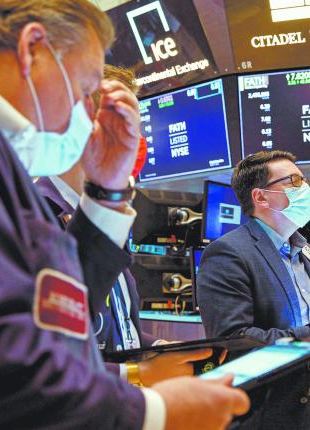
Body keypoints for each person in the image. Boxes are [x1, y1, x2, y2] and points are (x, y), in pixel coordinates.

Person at [0, 1, 248, 429]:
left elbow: (56, 321)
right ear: (32, 48)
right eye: (85, 89)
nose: (87, 115)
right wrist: (154, 413)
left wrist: (106, 193)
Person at [35, 64, 212, 387]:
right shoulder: (35, 213)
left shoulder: (109, 219)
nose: (138, 140)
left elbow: (118, 329)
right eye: (125, 124)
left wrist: (158, 348)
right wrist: (133, 374)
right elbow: (38, 352)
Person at [196, 150, 310, 430]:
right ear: (260, 197)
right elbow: (232, 340)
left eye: (302, 180)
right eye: (293, 181)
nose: (304, 189)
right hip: (263, 413)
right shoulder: (229, 253)